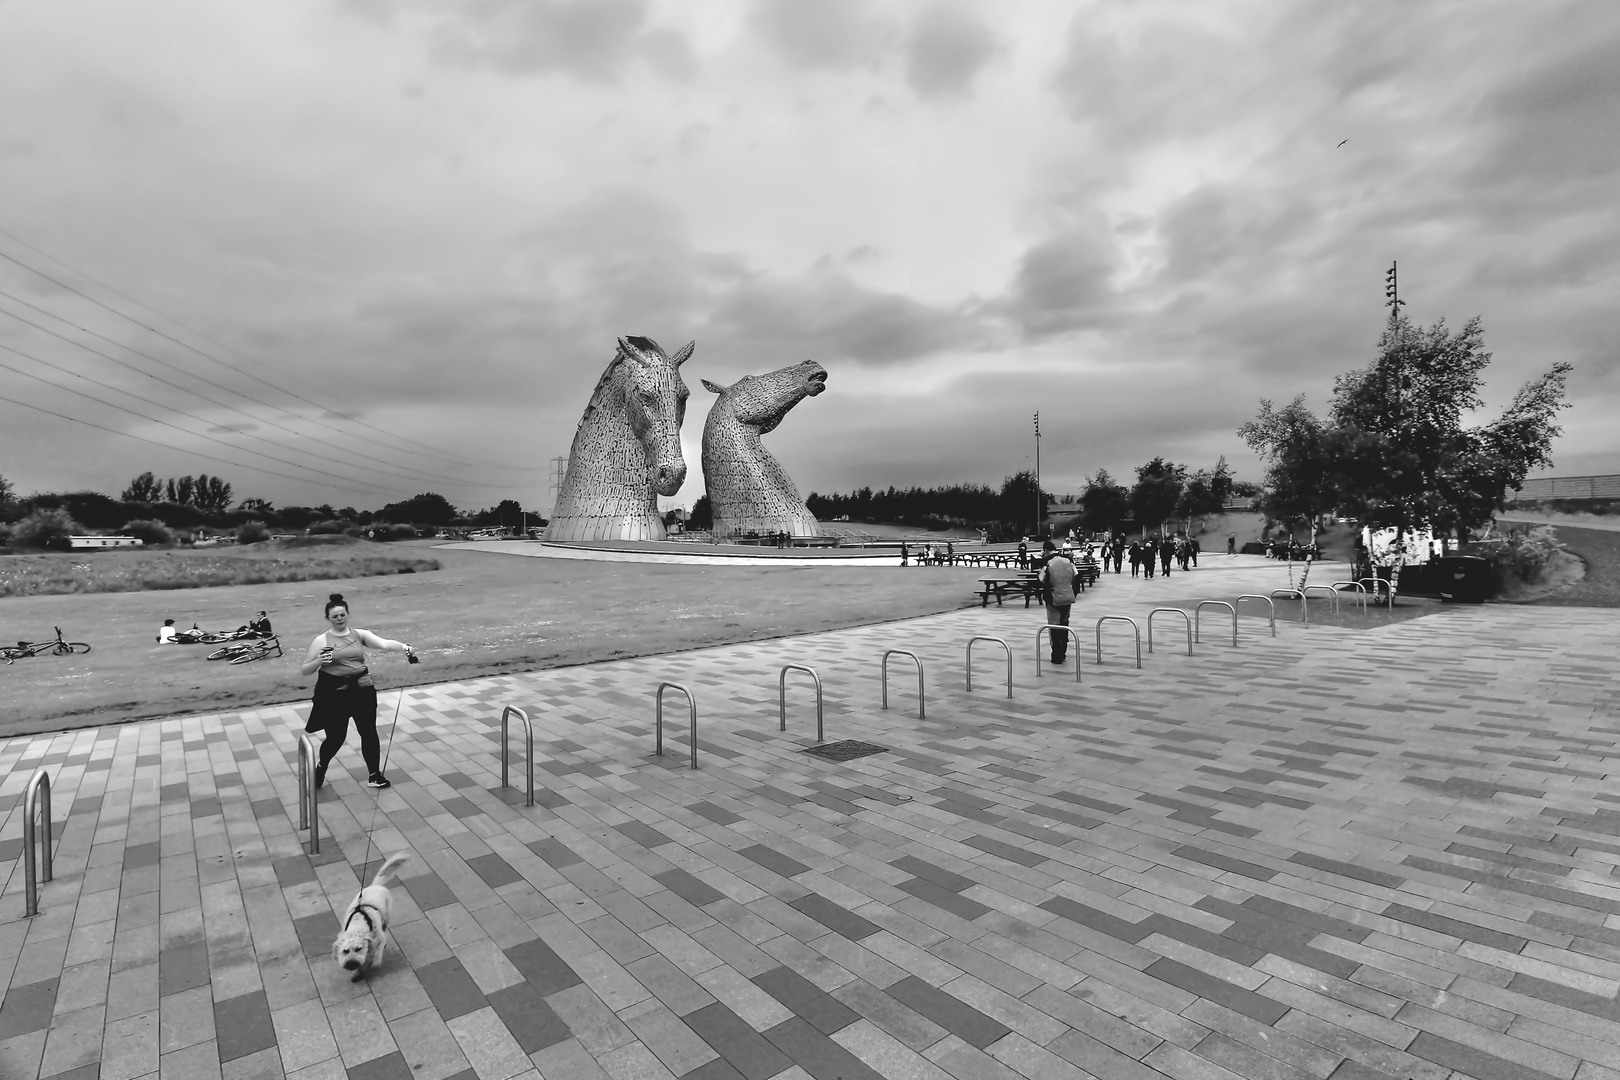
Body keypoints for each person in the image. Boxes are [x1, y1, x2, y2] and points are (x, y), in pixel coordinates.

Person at [301, 593, 415, 791]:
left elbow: (384, 644)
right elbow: (305, 670)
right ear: (328, 618)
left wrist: (405, 647)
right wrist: (319, 661)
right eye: (335, 616)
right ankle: (321, 766)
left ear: (347, 614)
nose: (339, 619)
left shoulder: (359, 634)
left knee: (368, 732)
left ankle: (374, 775)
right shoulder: (321, 640)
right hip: (335, 696)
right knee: (336, 738)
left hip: (362, 691)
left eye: (342, 614)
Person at [1039, 541, 1078, 664]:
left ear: (1045, 550)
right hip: (1067, 595)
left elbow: (1041, 579)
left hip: (1053, 597)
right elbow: (1076, 575)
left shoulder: (1047, 562)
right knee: (1064, 623)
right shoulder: (1068, 560)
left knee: (1054, 625)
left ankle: (1056, 655)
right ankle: (1063, 652)